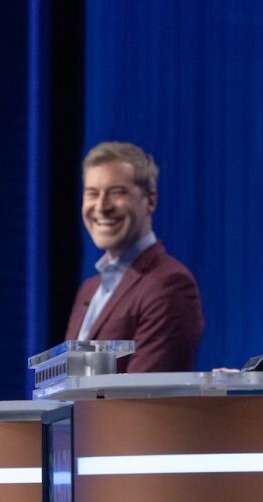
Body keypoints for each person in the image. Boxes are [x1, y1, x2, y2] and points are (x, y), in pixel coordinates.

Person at [66, 142, 204, 372]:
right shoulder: (88, 289)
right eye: (92, 193)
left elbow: (141, 397)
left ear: (150, 200)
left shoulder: (168, 284)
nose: (101, 206)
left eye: (117, 192)